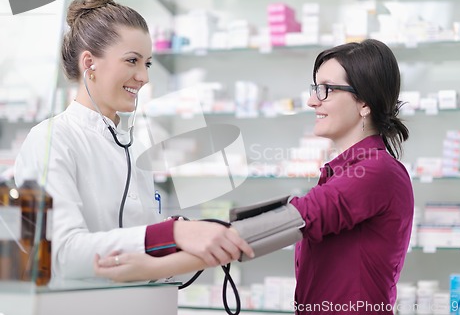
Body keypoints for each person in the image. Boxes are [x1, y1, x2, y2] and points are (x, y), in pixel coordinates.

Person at [95, 39, 414, 315]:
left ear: (364, 103)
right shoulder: (344, 171)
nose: (311, 100)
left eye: (326, 90)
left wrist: (153, 264)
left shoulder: (377, 172)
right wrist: (176, 237)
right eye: (314, 88)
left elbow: (286, 223)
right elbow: (286, 217)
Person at [13, 0, 253, 281]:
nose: (143, 77)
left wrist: (192, 240)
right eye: (132, 61)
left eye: (147, 64)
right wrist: (171, 234)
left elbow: (143, 251)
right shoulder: (50, 140)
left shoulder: (132, 146)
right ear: (89, 63)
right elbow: (59, 253)